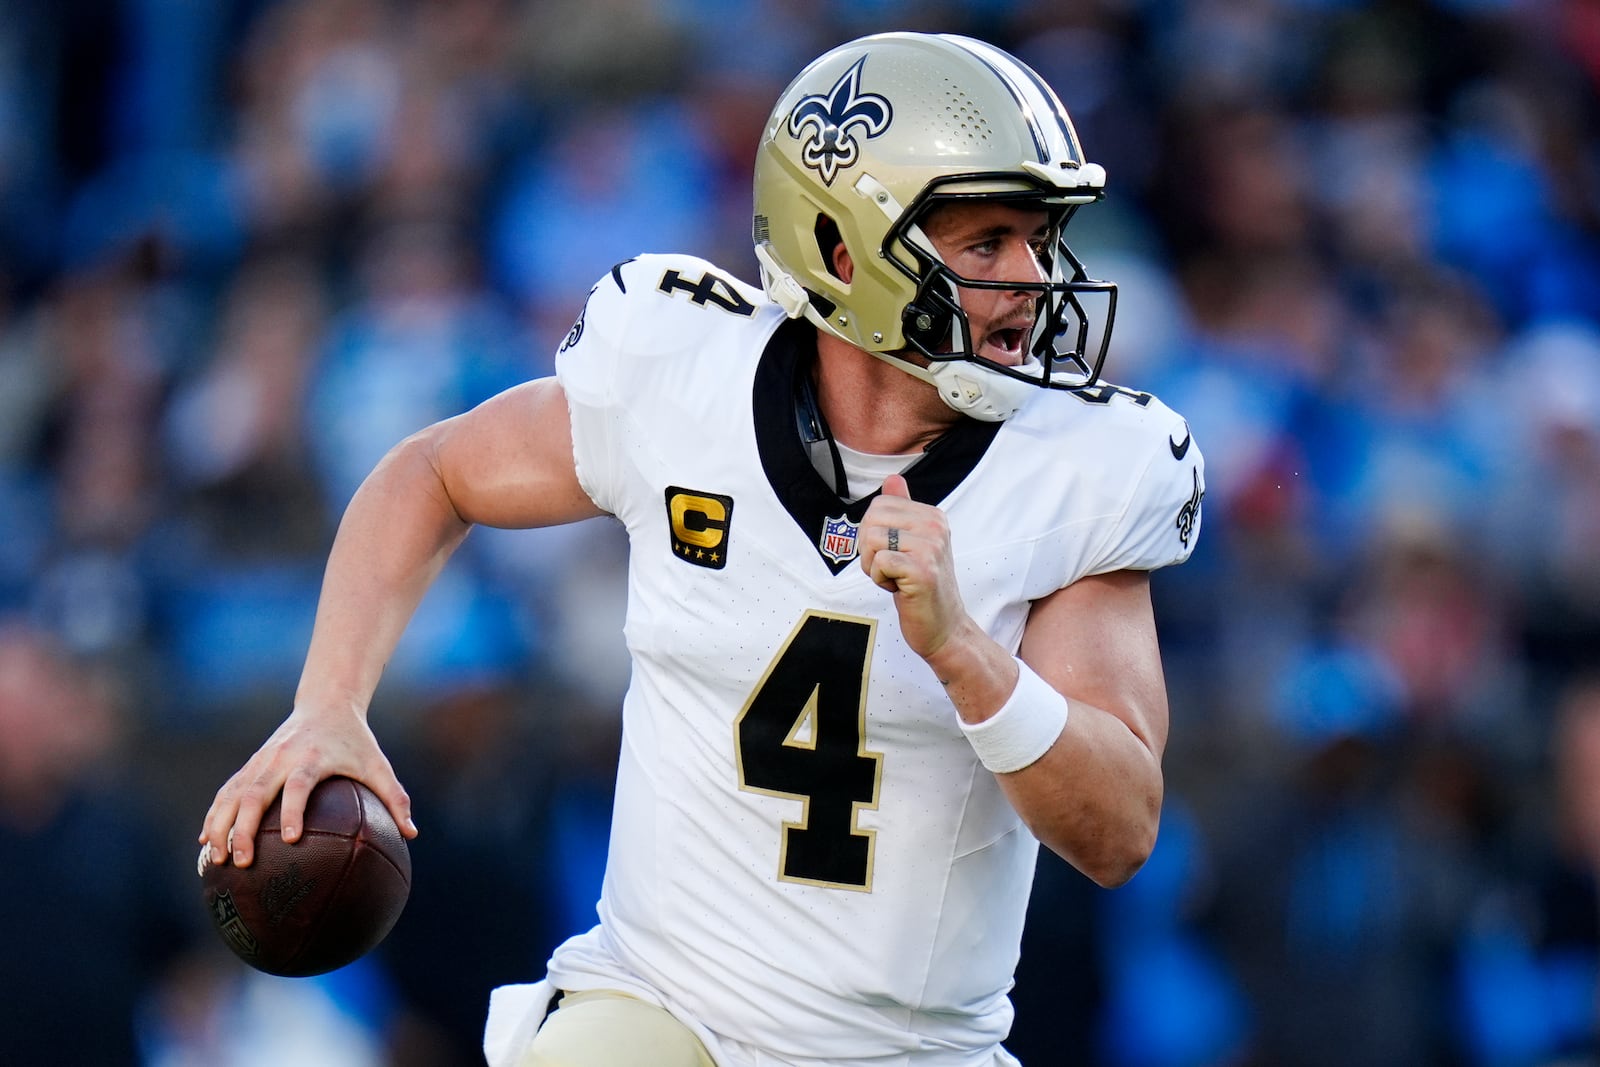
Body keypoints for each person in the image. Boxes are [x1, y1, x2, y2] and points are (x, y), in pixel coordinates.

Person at [200, 31, 1205, 1067]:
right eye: (987, 242)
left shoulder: (1079, 468)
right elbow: (431, 472)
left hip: (910, 1049)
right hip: (664, 1005)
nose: (1030, 282)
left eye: (1037, 239)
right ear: (847, 249)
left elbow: (1119, 826)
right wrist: (327, 705)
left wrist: (963, 649)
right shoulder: (685, 378)